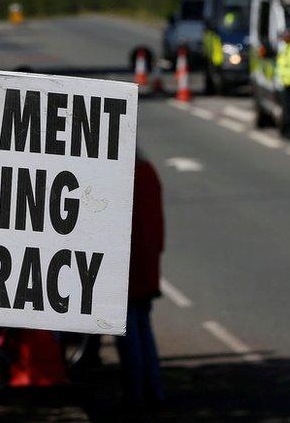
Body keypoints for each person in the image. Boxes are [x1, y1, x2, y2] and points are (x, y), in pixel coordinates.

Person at [116, 154, 165, 405]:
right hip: (147, 262)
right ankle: (154, 389)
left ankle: (135, 391)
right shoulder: (148, 170)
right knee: (143, 326)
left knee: (128, 330)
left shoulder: (120, 173)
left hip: (126, 264)